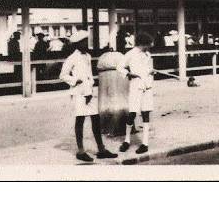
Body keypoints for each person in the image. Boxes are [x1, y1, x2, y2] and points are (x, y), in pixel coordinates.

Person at [60, 30, 117, 162]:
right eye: (83, 42)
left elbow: (89, 74)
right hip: (78, 93)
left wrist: (90, 85)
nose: (86, 44)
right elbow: (63, 75)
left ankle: (101, 149)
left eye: (87, 41)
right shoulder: (72, 58)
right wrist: (76, 80)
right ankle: (80, 151)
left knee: (96, 119)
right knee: (80, 120)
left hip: (89, 92)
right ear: (78, 44)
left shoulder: (87, 56)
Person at [117, 32, 156, 154]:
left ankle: (145, 143)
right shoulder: (130, 54)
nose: (149, 47)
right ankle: (127, 141)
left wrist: (151, 72)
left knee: (146, 113)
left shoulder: (148, 55)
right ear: (142, 43)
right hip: (136, 86)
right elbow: (119, 67)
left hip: (147, 86)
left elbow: (148, 69)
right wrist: (129, 74)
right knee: (132, 113)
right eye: (148, 44)